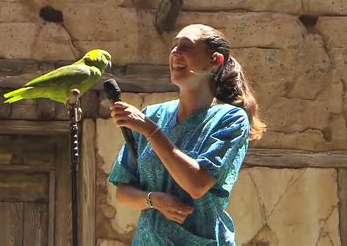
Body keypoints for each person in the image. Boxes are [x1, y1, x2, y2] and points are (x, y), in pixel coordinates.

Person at [108, 24, 266, 245]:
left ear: (215, 61)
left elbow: (197, 184)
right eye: (173, 46)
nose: (175, 53)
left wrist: (151, 131)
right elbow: (123, 190)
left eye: (186, 47)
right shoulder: (153, 114)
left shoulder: (230, 119)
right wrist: (154, 200)